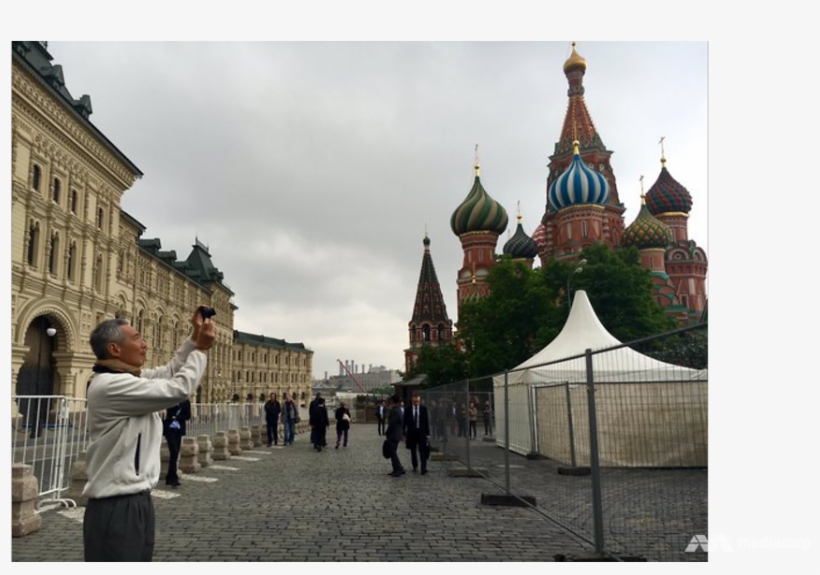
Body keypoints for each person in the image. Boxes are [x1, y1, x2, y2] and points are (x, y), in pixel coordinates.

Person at [82, 307, 214, 562]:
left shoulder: (127, 379)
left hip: (136, 499)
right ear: (114, 349)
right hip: (117, 504)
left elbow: (170, 371)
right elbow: (179, 388)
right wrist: (202, 350)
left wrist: (194, 337)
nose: (144, 344)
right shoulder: (111, 385)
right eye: (137, 338)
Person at [163, 398, 191, 487]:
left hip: (179, 430)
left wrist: (177, 417)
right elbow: (166, 413)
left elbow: (188, 416)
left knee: (175, 453)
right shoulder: (170, 400)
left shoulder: (186, 402)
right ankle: (173, 478)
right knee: (174, 451)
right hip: (169, 429)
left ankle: (170, 477)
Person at [403, 394, 431, 475]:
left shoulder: (423, 409)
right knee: (413, 450)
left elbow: (426, 422)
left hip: (421, 432)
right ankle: (415, 464)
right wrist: (403, 433)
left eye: (417, 401)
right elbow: (404, 422)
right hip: (412, 433)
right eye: (415, 401)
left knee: (422, 450)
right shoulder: (407, 410)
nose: (416, 403)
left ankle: (423, 468)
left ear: (420, 401)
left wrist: (427, 434)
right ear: (412, 400)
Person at [385, 394, 405, 477]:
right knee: (393, 452)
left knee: (393, 452)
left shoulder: (395, 411)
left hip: (394, 434)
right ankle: (396, 468)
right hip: (397, 434)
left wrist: (387, 432)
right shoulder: (399, 410)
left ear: (393, 401)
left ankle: (399, 468)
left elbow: (392, 424)